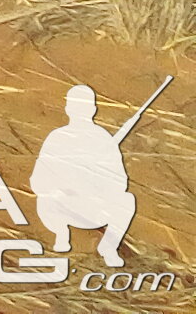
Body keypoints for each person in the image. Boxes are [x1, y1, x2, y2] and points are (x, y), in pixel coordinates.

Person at [30, 86, 138, 266]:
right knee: (45, 199)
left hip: (95, 209)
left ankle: (108, 247)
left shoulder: (103, 139)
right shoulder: (57, 137)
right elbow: (38, 181)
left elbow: (120, 182)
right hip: (63, 206)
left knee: (127, 200)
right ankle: (61, 234)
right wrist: (63, 185)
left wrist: (94, 182)